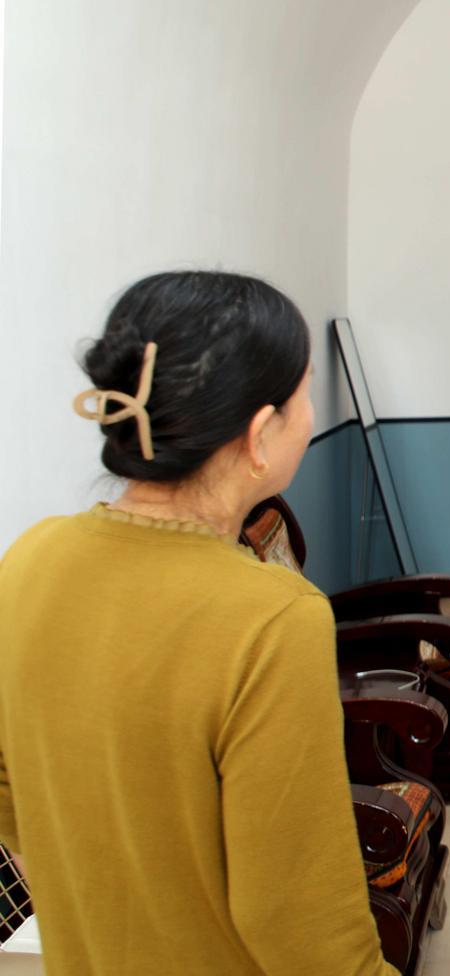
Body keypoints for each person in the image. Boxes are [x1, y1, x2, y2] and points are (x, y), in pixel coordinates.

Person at [0, 271, 394, 975]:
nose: (310, 416)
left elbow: (11, 796)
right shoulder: (272, 619)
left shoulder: (29, 560)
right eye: (304, 394)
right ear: (260, 434)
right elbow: (302, 920)